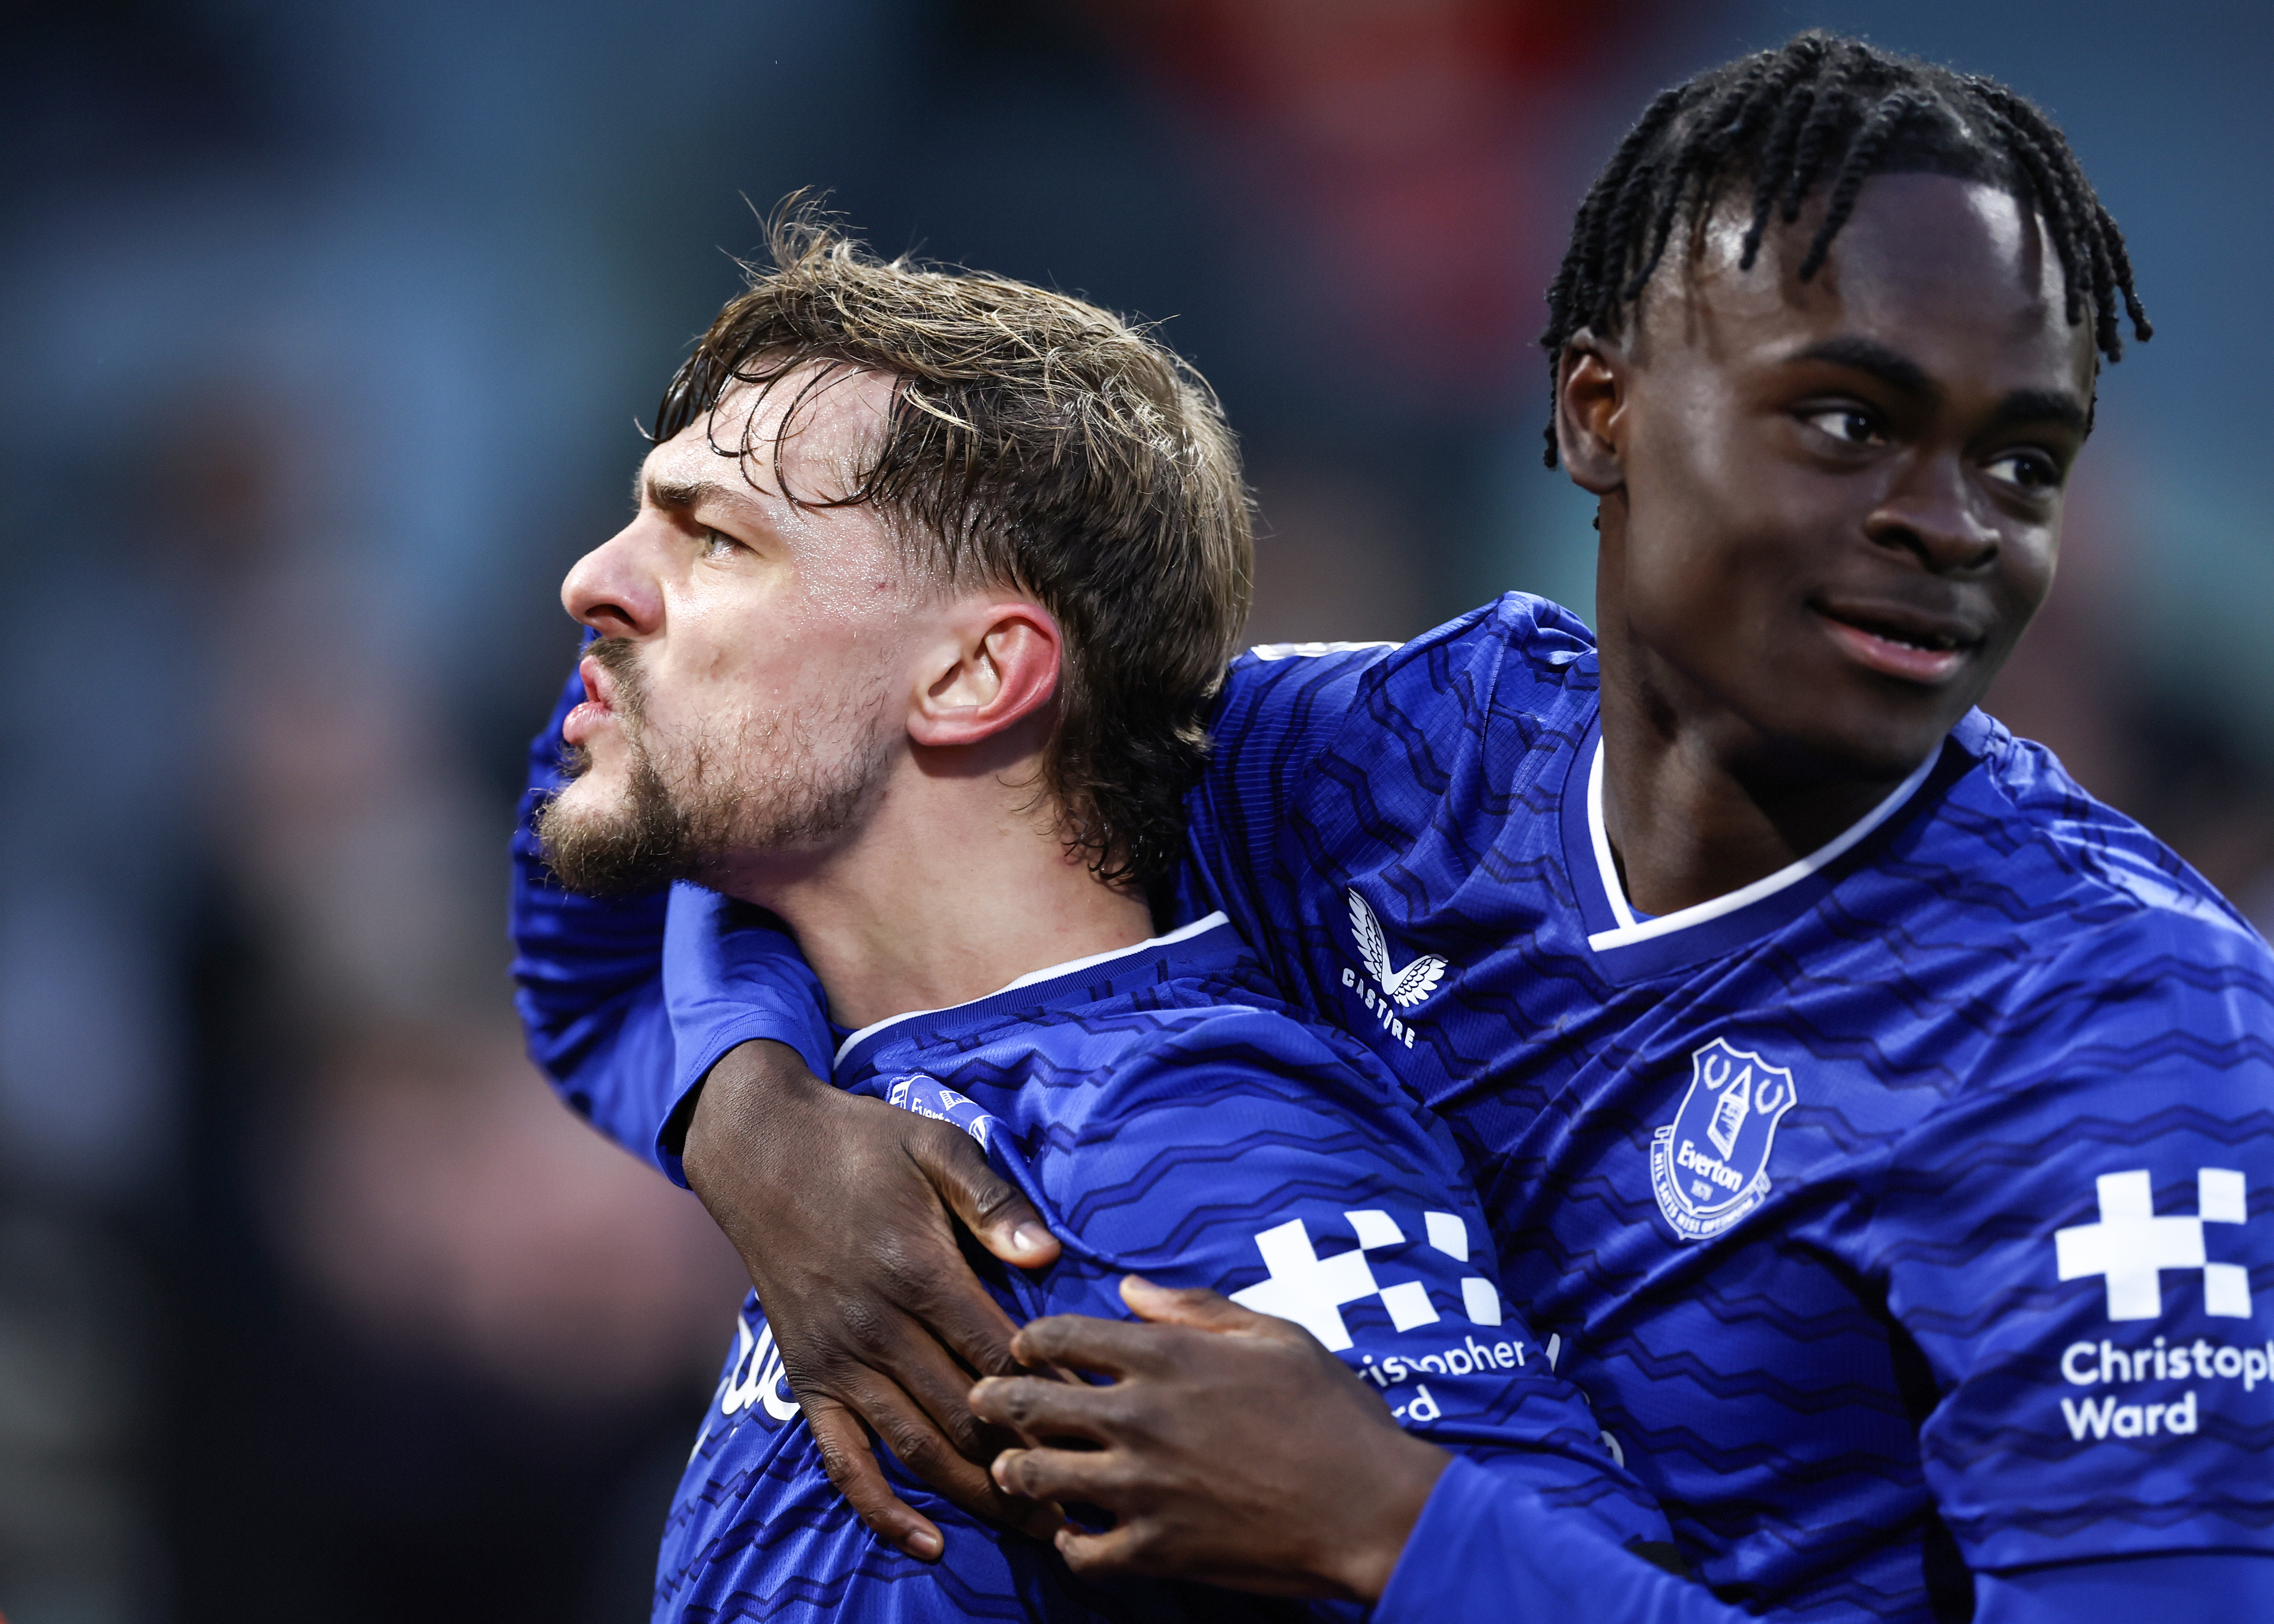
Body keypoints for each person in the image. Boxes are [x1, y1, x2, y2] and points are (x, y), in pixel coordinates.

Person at [516, 35, 2274, 1621]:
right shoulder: (1389, 763)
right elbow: (745, 778)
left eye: (2024, 461)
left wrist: (1395, 1526)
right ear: (1601, 413)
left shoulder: (2127, 1039)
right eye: (1849, 420)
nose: (1950, 524)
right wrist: (758, 1117)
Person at [514, 215, 1673, 1620]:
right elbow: (583, 960)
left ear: (977, 674)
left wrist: (1384, 1517)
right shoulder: (861, 1073)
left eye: (714, 540)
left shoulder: (1199, 1134)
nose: (594, 580)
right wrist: (747, 1094)